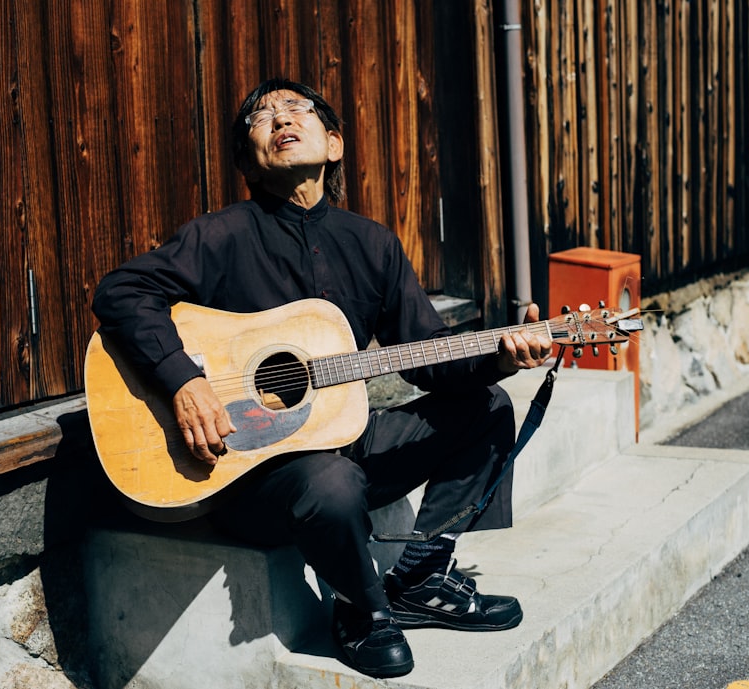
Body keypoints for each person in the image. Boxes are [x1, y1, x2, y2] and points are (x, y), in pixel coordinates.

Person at [92, 78, 553, 678]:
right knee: (331, 481)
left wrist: (500, 354)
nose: (280, 117)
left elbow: (427, 356)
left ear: (333, 143)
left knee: (487, 407)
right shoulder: (220, 236)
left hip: (342, 446)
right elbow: (121, 292)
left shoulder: (372, 245)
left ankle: (417, 578)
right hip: (250, 475)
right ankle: (362, 611)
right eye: (261, 116)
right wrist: (183, 380)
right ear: (247, 161)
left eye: (296, 109)